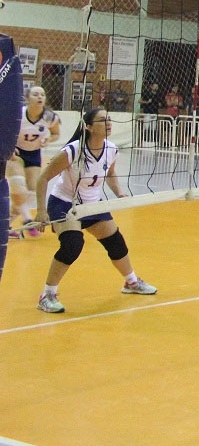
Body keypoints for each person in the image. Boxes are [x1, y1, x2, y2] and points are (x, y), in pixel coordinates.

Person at [33, 108, 158, 313]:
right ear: (89, 127)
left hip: (93, 204)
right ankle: (46, 295)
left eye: (109, 119)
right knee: (72, 244)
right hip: (65, 203)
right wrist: (40, 210)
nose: (108, 123)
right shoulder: (73, 150)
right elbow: (43, 177)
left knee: (115, 242)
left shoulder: (111, 149)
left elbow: (110, 173)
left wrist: (119, 193)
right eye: (102, 120)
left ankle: (131, 283)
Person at [9, 86, 61, 238]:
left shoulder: (50, 117)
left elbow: (56, 134)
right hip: (16, 152)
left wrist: (48, 139)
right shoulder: (18, 114)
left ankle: (5, 225)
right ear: (27, 98)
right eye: (35, 94)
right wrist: (8, 146)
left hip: (34, 154)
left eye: (42, 94)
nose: (40, 97)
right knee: (19, 187)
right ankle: (26, 220)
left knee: (31, 193)